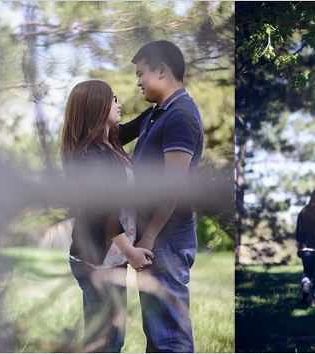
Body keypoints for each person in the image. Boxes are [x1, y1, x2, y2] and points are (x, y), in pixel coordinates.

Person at [61, 80, 154, 352]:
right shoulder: (90, 156)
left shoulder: (108, 142)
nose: (119, 104)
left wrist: (166, 102)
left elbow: (135, 125)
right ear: (98, 106)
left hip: (108, 259)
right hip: (97, 262)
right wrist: (130, 251)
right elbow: (102, 211)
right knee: (107, 342)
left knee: (107, 339)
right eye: (113, 99)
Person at [126, 39, 203, 353]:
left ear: (161, 70)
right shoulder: (156, 113)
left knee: (169, 336)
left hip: (166, 241)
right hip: (154, 238)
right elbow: (113, 133)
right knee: (157, 333)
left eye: (141, 73)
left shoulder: (181, 116)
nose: (138, 81)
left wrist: (149, 238)